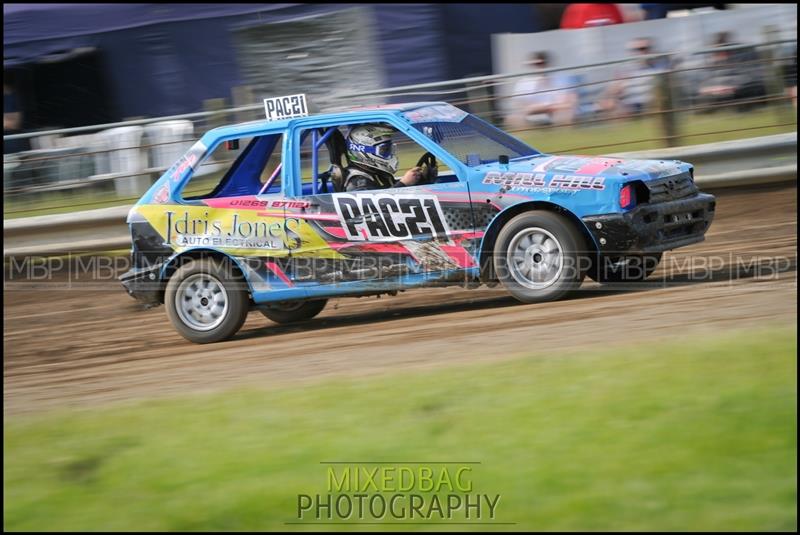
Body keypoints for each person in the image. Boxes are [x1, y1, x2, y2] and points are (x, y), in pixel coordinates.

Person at [597, 37, 669, 118]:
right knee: (609, 103)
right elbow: (611, 92)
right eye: (636, 50)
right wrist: (616, 89)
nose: (641, 52)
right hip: (630, 106)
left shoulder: (661, 67)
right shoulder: (625, 70)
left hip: (654, 103)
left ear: (651, 50)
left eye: (644, 49)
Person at [507, 51, 578, 129]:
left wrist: (546, 108)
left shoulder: (562, 78)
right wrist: (532, 109)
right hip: (533, 113)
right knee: (513, 119)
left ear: (549, 64)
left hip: (555, 111)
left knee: (564, 114)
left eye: (543, 63)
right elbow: (519, 106)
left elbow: (568, 103)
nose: (540, 67)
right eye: (537, 64)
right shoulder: (524, 82)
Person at [343, 124, 425, 191]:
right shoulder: (357, 182)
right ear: (363, 151)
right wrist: (403, 183)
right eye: (385, 150)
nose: (390, 153)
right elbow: (375, 206)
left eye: (389, 148)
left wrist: (421, 180)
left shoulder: (377, 173)